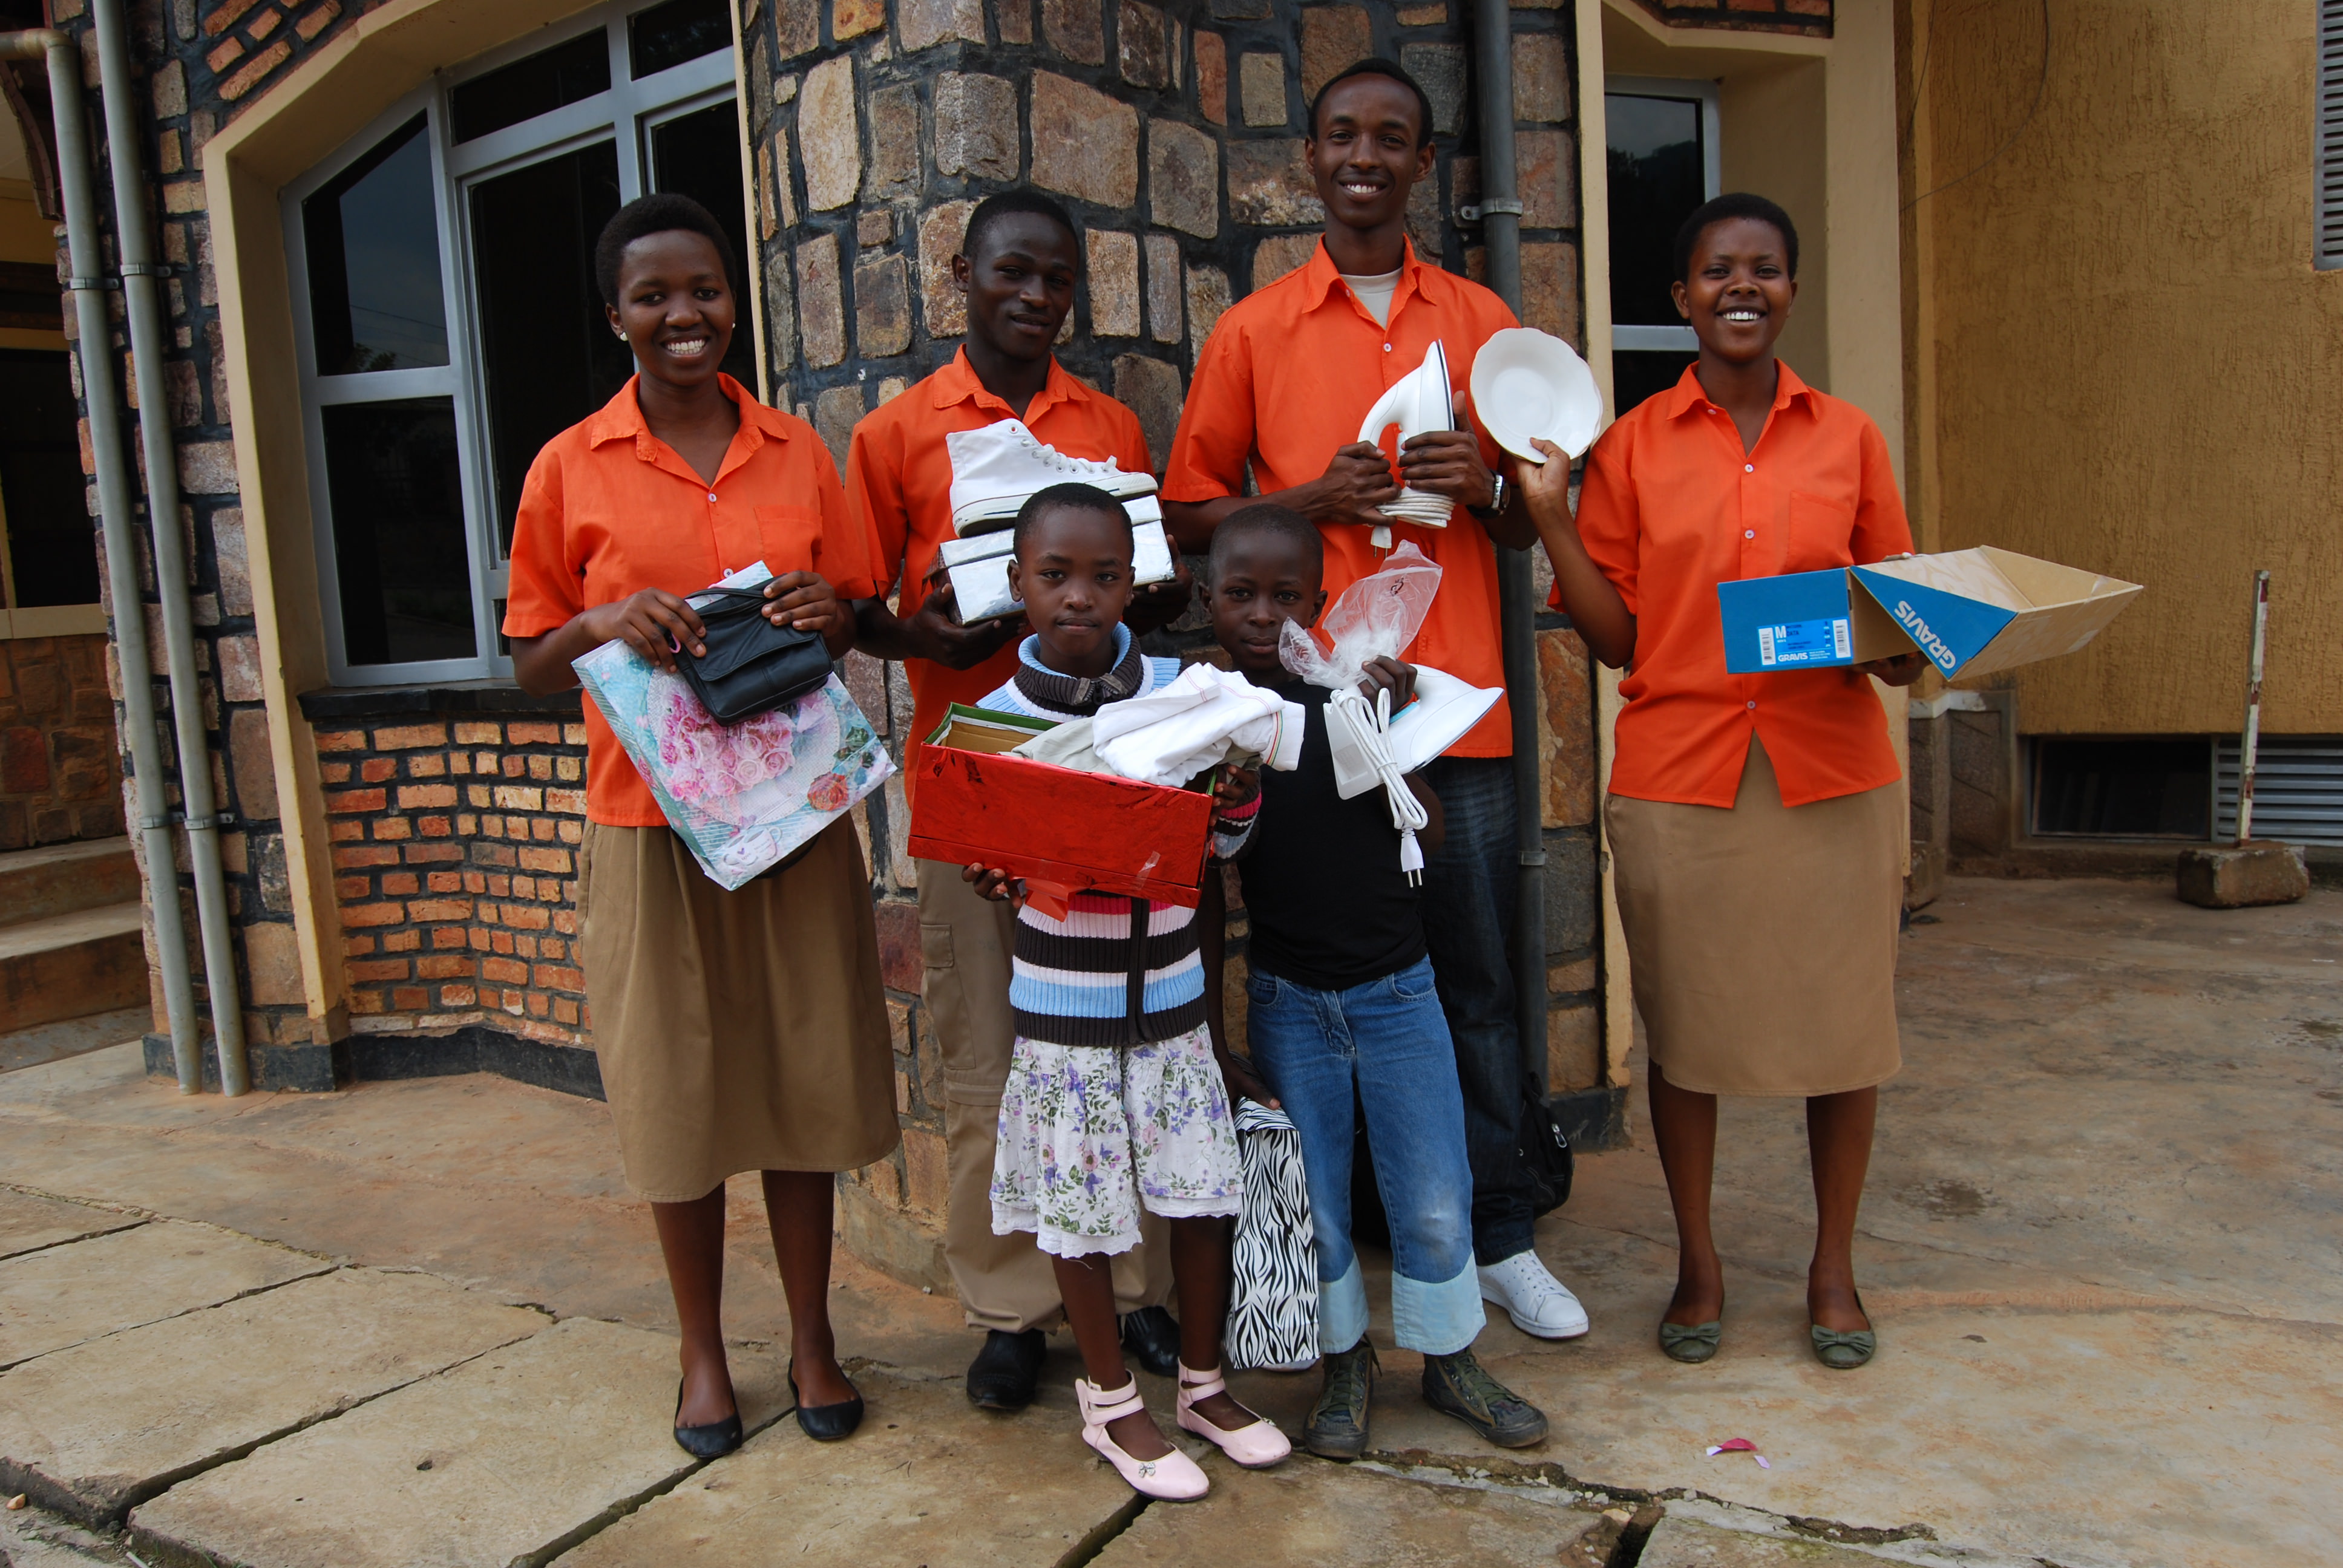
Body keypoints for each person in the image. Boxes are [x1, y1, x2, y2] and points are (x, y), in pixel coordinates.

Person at [1161, 57, 1588, 1341]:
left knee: (1474, 979)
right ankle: (1357, 1244)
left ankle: (1500, 1233)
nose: (1364, 156)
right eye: (1341, 135)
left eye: (1390, 139)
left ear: (1423, 164)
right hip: (1301, 724)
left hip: (1453, 710)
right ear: (1309, 158)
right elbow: (1188, 518)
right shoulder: (1253, 329)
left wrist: (1487, 490)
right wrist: (1310, 501)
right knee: (1311, 974)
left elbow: (1525, 527)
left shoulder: (1478, 314)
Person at [504, 194, 898, 1454]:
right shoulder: (570, 465)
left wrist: (822, 611)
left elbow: (849, 610)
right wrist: (597, 625)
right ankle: (699, 1357)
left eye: (706, 290)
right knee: (678, 1097)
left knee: (800, 1082)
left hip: (790, 820)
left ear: (735, 300)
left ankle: (812, 1341)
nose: (686, 314)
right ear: (615, 314)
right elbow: (523, 661)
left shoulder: (796, 452)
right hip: (648, 829)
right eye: (655, 295)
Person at [1524, 193, 1924, 1371]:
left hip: (1831, 776)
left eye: (1763, 269)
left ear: (1790, 290)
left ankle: (1830, 1268)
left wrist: (1919, 638)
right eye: (1716, 270)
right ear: (1682, 297)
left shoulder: (1847, 438)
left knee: (1845, 1034)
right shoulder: (1636, 445)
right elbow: (1616, 640)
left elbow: (1890, 617)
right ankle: (1696, 1263)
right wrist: (1551, 524)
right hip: (1682, 779)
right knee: (1685, 1040)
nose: (1740, 287)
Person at [847, 190, 1189, 1413]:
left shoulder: (1106, 423)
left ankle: (1140, 1287)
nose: (1035, 295)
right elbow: (857, 606)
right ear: (963, 275)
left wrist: (1142, 595)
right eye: (1012, 273)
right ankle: (1009, 1305)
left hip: (1101, 767)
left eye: (1055, 278)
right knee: (989, 1046)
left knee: (1122, 1036)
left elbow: (1135, 584)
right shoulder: (898, 434)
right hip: (974, 776)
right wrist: (917, 634)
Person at [959, 483, 1288, 1500]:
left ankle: (1201, 1383)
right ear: (1018, 586)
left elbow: (1227, 844)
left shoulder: (1186, 694)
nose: (1080, 599)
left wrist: (1235, 798)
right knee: (1084, 1209)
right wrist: (994, 871)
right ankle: (1111, 1402)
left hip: (1174, 1002)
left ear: (1134, 582)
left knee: (1199, 1200)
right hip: (1067, 1012)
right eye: (1055, 577)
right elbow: (990, 869)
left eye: (1105, 577)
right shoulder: (991, 726)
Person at [1205, 503, 1551, 1457]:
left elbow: (1430, 838)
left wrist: (1387, 732)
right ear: (1207, 600)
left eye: (1287, 598)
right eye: (1241, 595)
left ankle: (1451, 1361)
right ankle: (1344, 1364)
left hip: (1398, 995)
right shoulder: (1215, 721)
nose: (1264, 617)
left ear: (1320, 604)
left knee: (1433, 1195)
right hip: (1290, 1001)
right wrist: (1227, 788)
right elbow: (1217, 851)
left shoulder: (1346, 697)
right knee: (1318, 1201)